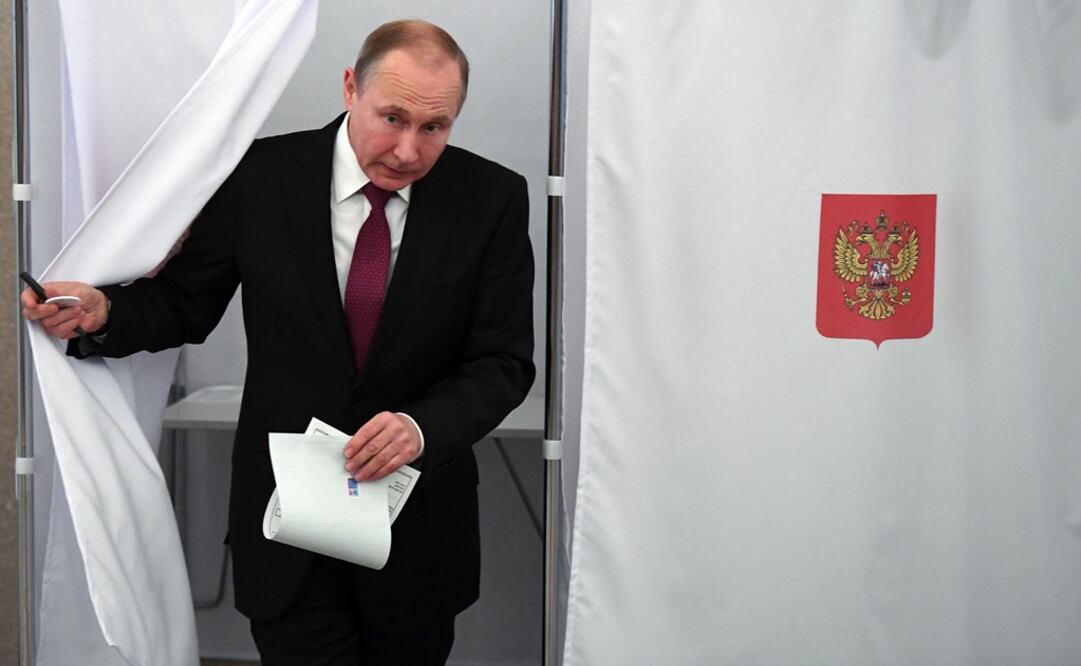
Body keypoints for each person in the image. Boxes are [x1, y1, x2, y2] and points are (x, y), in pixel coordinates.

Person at [22, 19, 535, 665]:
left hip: (415, 535)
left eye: (434, 127)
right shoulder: (259, 176)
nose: (408, 150)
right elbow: (184, 303)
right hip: (287, 528)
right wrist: (104, 313)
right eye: (392, 118)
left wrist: (420, 427)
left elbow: (503, 362)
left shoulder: (490, 198)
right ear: (350, 87)